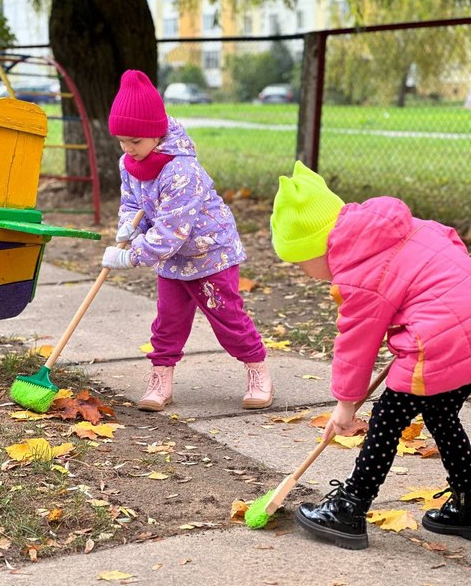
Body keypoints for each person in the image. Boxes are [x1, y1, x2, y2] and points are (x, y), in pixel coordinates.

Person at [270, 160, 471, 549]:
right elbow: (449, 243)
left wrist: (345, 406)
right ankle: (469, 502)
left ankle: (350, 507)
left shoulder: (359, 271)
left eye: (300, 264)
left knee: (386, 418)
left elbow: (356, 344)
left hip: (438, 341)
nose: (305, 273)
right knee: (440, 411)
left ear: (317, 246)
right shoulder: (397, 228)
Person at [101, 69, 273, 412]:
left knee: (227, 318)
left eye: (134, 141)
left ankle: (257, 369)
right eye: (121, 141)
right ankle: (161, 379)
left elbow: (172, 231)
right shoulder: (128, 162)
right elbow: (132, 202)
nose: (127, 149)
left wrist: (132, 256)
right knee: (168, 319)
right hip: (173, 259)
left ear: (155, 133)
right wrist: (127, 228)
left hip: (211, 254)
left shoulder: (182, 171)